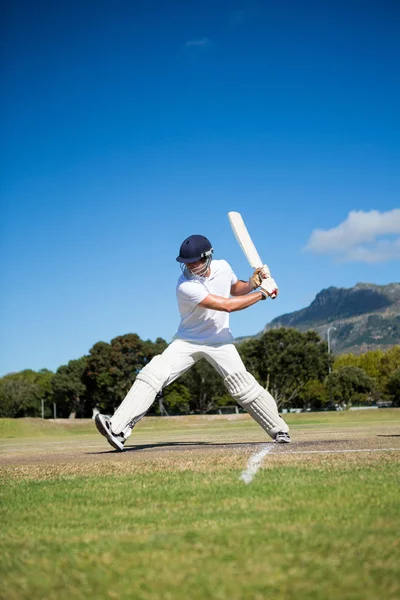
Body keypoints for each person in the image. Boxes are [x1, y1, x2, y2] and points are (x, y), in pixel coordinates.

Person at [95, 234, 290, 451]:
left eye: (194, 261)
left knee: (243, 386)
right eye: (185, 262)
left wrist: (254, 282)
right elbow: (226, 305)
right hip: (188, 340)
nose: (189, 266)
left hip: (220, 340)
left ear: (207, 257)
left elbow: (236, 289)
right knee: (154, 373)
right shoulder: (185, 285)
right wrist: (263, 293)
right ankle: (117, 428)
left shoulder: (224, 267)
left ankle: (279, 429)